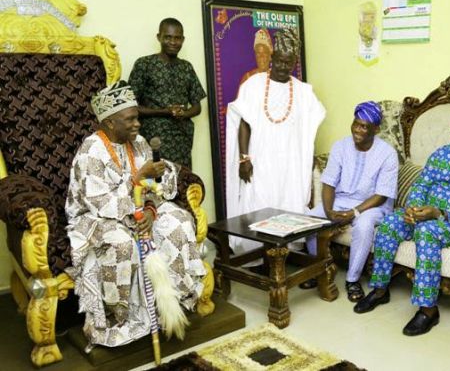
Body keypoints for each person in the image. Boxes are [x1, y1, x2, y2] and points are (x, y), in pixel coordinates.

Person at [66, 81, 206, 347]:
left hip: (138, 210)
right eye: (129, 119)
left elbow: (153, 189)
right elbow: (100, 203)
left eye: (137, 117)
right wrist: (137, 180)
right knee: (121, 244)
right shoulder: (90, 151)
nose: (137, 124)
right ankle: (120, 317)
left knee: (178, 223)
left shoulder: (139, 143)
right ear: (109, 123)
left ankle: (173, 303)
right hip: (96, 217)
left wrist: (151, 210)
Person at [353, 102, 450, 336]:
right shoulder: (442, 154)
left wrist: (439, 213)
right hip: (424, 214)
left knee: (427, 231)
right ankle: (379, 290)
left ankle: (428, 310)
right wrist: (413, 208)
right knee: (389, 225)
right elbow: (421, 184)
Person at [225, 28, 326, 258]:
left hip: (290, 164)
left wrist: (307, 162)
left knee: (288, 204)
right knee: (259, 204)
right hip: (260, 160)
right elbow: (244, 124)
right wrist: (244, 158)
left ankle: (285, 256)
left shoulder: (303, 91)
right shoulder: (254, 85)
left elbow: (310, 127)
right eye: (279, 61)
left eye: (288, 63)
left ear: (295, 63)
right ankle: (259, 256)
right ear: (271, 58)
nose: (282, 67)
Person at [300, 101, 398, 303]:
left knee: (363, 225)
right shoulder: (340, 146)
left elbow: (381, 195)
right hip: (341, 200)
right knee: (309, 219)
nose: (358, 130)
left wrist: (353, 213)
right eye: (356, 124)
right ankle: (318, 270)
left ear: (376, 129)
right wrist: (328, 211)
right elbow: (329, 182)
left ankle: (352, 280)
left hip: (374, 205)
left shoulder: (387, 154)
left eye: (364, 127)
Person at [129, 17, 206, 169]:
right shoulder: (144, 64)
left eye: (177, 38)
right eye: (168, 37)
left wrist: (183, 114)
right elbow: (131, 106)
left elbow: (197, 107)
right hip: (153, 139)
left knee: (183, 183)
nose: (173, 42)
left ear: (183, 40)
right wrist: (164, 111)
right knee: (154, 185)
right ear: (159, 37)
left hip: (181, 139)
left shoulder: (186, 67)